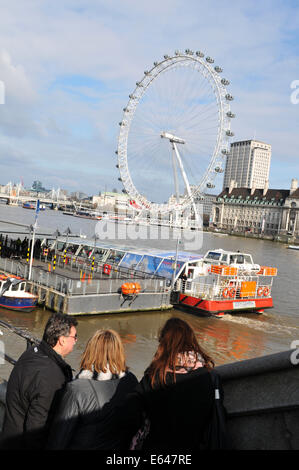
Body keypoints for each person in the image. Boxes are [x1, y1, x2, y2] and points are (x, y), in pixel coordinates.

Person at [133, 317, 224, 450]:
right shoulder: (210, 377)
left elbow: (133, 410)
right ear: (191, 340)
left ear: (163, 343)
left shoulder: (155, 377)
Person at [46, 329, 139, 450]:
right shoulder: (130, 381)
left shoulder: (77, 388)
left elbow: (59, 438)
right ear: (119, 352)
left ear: (90, 351)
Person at [1, 313, 78, 450]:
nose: (76, 341)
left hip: (10, 435)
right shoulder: (51, 377)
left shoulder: (32, 352)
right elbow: (36, 428)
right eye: (74, 337)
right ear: (62, 340)